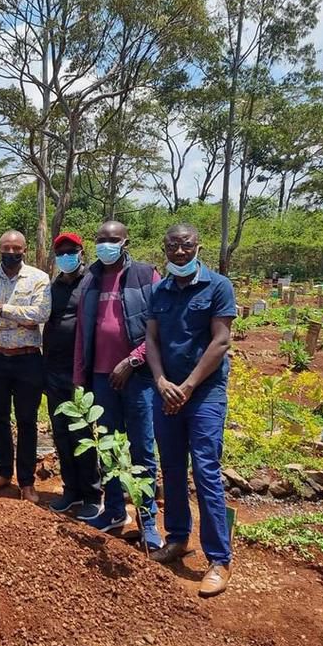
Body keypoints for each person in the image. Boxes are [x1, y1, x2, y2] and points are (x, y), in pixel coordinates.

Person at [146, 224, 236, 597]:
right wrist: (162, 381)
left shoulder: (217, 286)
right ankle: (178, 538)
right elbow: (150, 339)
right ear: (164, 248)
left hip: (203, 395)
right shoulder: (159, 290)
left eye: (185, 246)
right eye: (172, 246)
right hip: (167, 393)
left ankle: (219, 559)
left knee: (205, 471)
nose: (179, 252)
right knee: (170, 467)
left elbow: (221, 341)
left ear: (197, 247)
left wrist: (188, 385)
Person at [73, 221, 163, 549]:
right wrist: (80, 377)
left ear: (126, 241)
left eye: (113, 239)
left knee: (141, 447)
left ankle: (147, 519)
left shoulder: (144, 275)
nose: (106, 244)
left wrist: (132, 361)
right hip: (100, 376)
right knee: (107, 446)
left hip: (137, 377)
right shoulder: (91, 279)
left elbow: (158, 326)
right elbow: (84, 331)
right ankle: (113, 510)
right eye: (100, 239)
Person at [0, 230, 51, 503]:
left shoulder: (39, 278)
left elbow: (40, 314)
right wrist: (20, 318)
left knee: (28, 421)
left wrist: (2, 309)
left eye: (16, 248)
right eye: (6, 248)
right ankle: (4, 471)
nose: (11, 252)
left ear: (24, 250)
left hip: (28, 358)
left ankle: (27, 481)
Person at [43, 232, 101, 520]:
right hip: (53, 372)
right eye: (61, 251)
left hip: (82, 372)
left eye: (71, 250)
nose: (66, 255)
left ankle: (92, 494)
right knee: (61, 433)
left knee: (83, 433)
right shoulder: (52, 287)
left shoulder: (92, 283)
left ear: (81, 251)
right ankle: (71, 491)